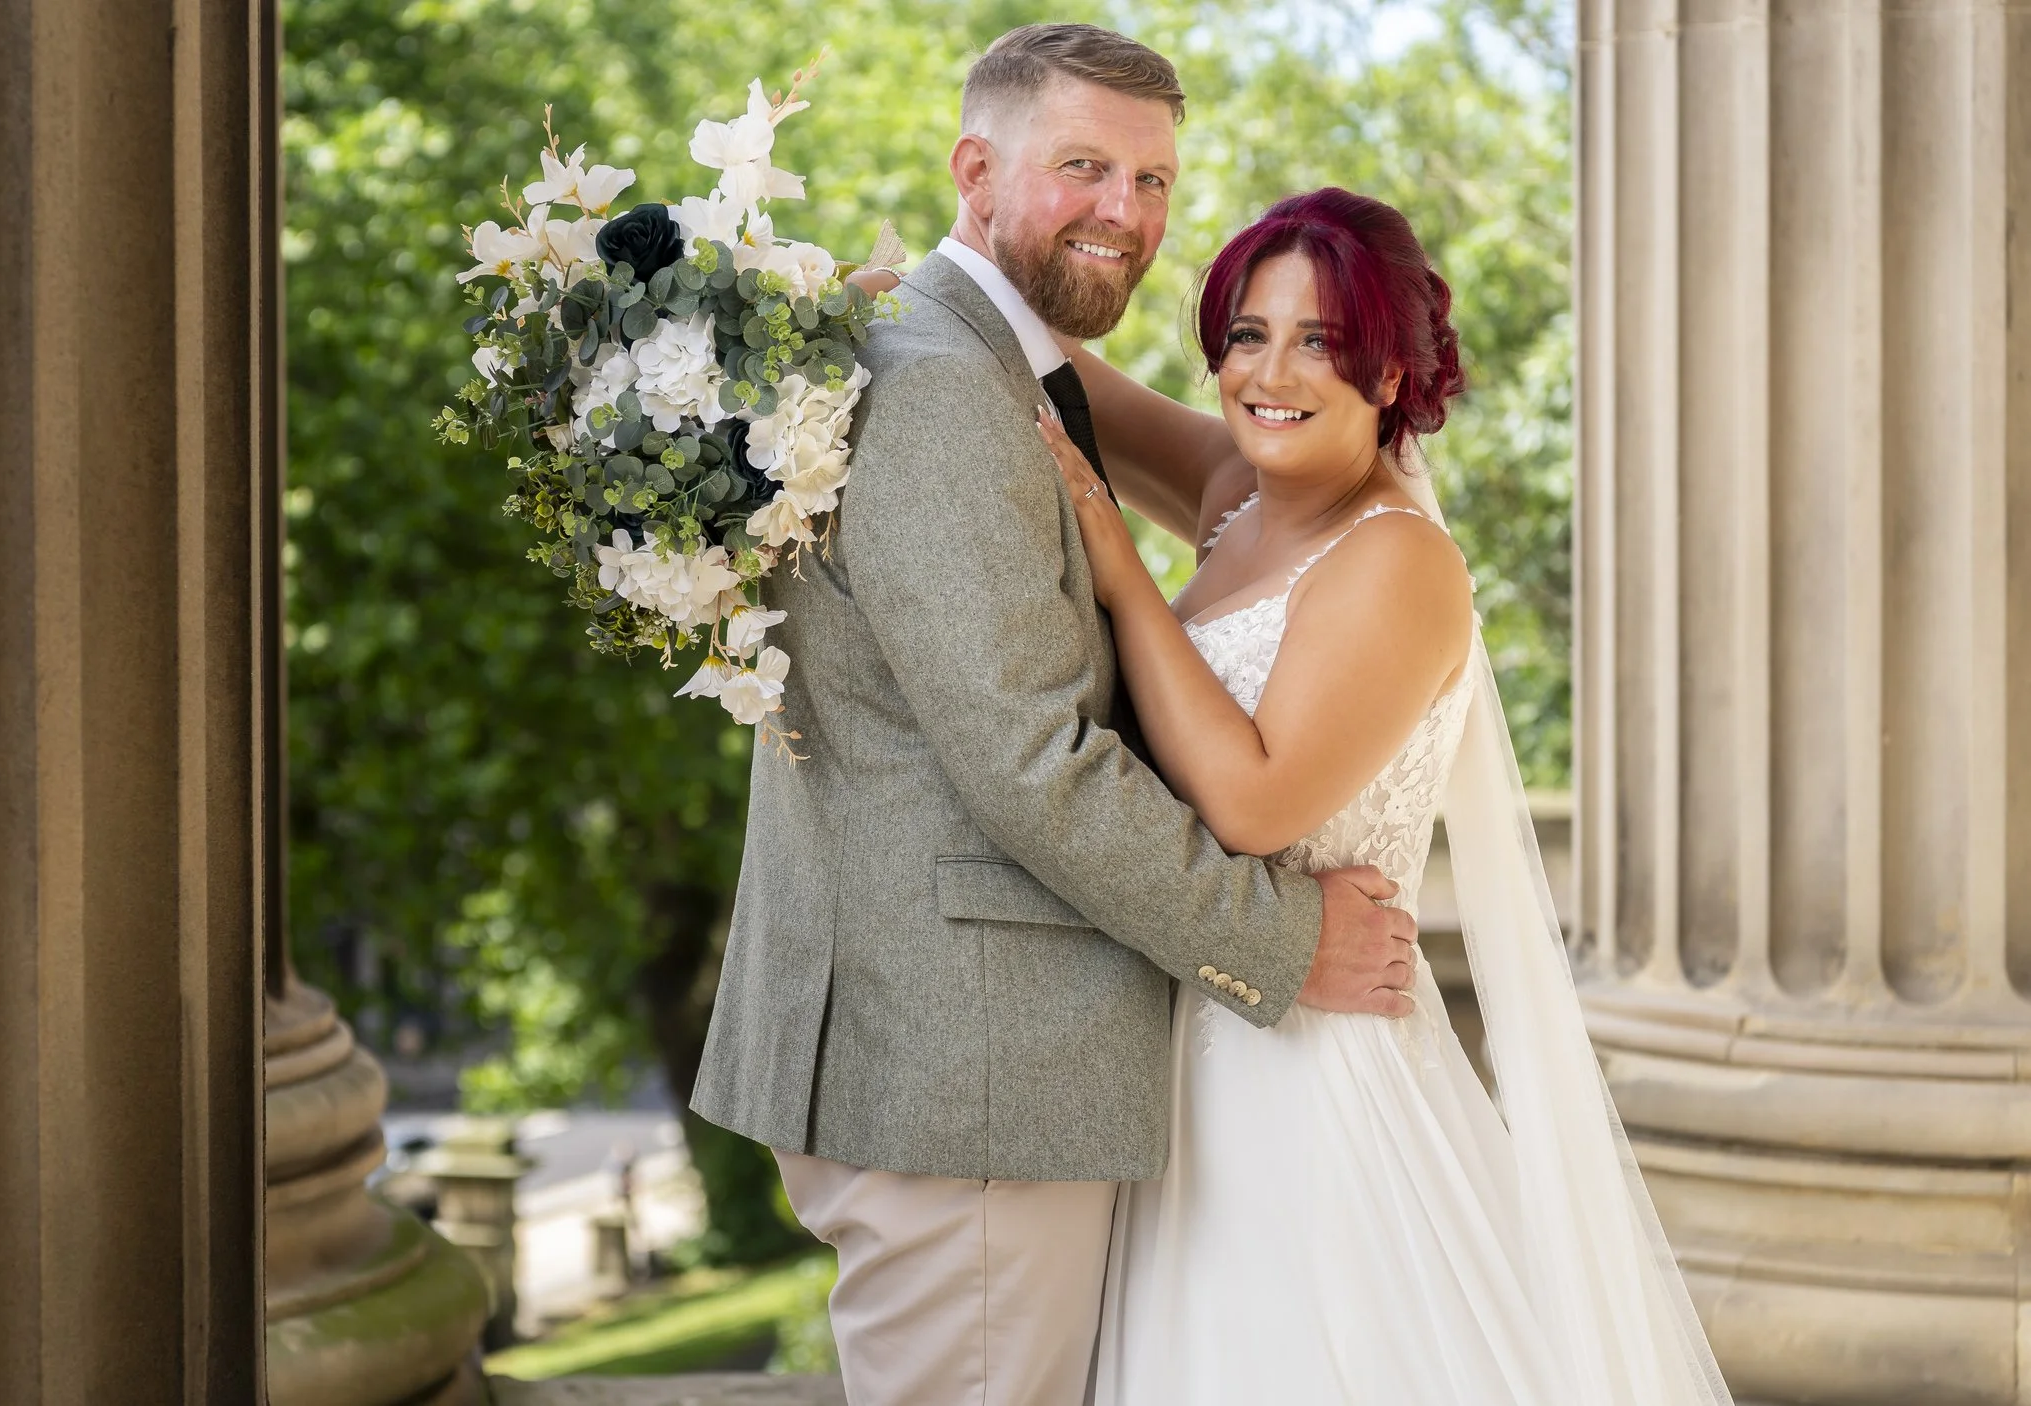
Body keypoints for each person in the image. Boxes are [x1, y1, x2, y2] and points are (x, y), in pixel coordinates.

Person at [688, 24, 1419, 1406]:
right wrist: (1283, 937)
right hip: (968, 1074)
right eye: (1084, 167)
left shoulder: (977, 355)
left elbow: (1225, 460)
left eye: (1152, 181)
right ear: (975, 170)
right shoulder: (948, 388)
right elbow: (1035, 762)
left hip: (980, 1063)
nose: (1125, 214)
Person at [1040, 187, 1731, 1404]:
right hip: (1183, 1050)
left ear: (1395, 373)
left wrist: (1123, 580)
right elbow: (1066, 384)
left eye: (1320, 341)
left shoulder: (1397, 560)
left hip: (1306, 1090)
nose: (1271, 371)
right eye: (1247, 334)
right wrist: (876, 290)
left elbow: (1253, 805)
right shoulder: (1239, 494)